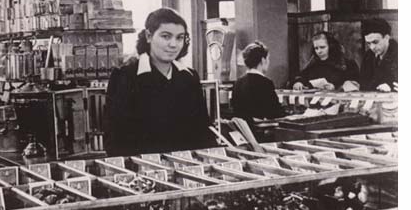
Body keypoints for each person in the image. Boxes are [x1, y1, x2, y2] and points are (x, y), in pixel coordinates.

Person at [104, 8, 215, 156]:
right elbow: (115, 139)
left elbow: (202, 131)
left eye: (179, 38)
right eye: (166, 36)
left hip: (186, 163)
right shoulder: (125, 77)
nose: (173, 44)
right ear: (149, 36)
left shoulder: (189, 77)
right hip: (144, 164)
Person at [231, 41, 285, 121]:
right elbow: (275, 113)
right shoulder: (266, 83)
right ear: (263, 60)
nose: (269, 62)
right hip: (260, 127)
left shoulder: (237, 83)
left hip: (243, 128)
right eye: (268, 59)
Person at [292, 31, 359, 91]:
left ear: (331, 46)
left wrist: (336, 87)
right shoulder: (313, 64)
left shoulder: (346, 63)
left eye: (322, 47)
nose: (319, 51)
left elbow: (354, 84)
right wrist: (298, 82)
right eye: (316, 48)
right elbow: (302, 76)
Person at [360, 18, 398, 92]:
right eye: (368, 43)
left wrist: (391, 88)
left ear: (387, 37)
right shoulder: (368, 56)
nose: (372, 47)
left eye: (375, 42)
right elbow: (363, 84)